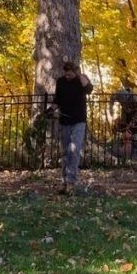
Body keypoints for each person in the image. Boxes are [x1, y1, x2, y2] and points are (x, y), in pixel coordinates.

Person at [49, 60, 93, 194]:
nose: (67, 75)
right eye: (65, 73)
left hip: (79, 121)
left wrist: (80, 76)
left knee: (74, 150)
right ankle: (64, 182)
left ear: (75, 71)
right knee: (66, 152)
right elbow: (58, 100)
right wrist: (51, 109)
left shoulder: (81, 80)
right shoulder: (61, 82)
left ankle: (71, 183)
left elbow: (89, 90)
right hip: (64, 121)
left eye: (70, 73)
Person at [110, 77, 137, 161]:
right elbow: (112, 98)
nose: (123, 103)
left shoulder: (135, 98)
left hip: (135, 113)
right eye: (122, 102)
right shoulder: (119, 94)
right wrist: (111, 110)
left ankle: (135, 148)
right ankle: (123, 148)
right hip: (125, 114)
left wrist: (133, 122)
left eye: (125, 102)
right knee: (124, 128)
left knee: (134, 130)